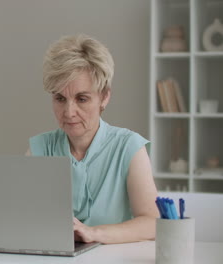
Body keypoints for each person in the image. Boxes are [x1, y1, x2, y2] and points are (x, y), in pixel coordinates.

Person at [27, 34, 159, 244]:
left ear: (104, 97)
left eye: (82, 99)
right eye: (60, 99)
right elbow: (22, 219)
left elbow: (153, 221)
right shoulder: (39, 150)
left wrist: (94, 233)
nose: (69, 112)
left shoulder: (129, 148)